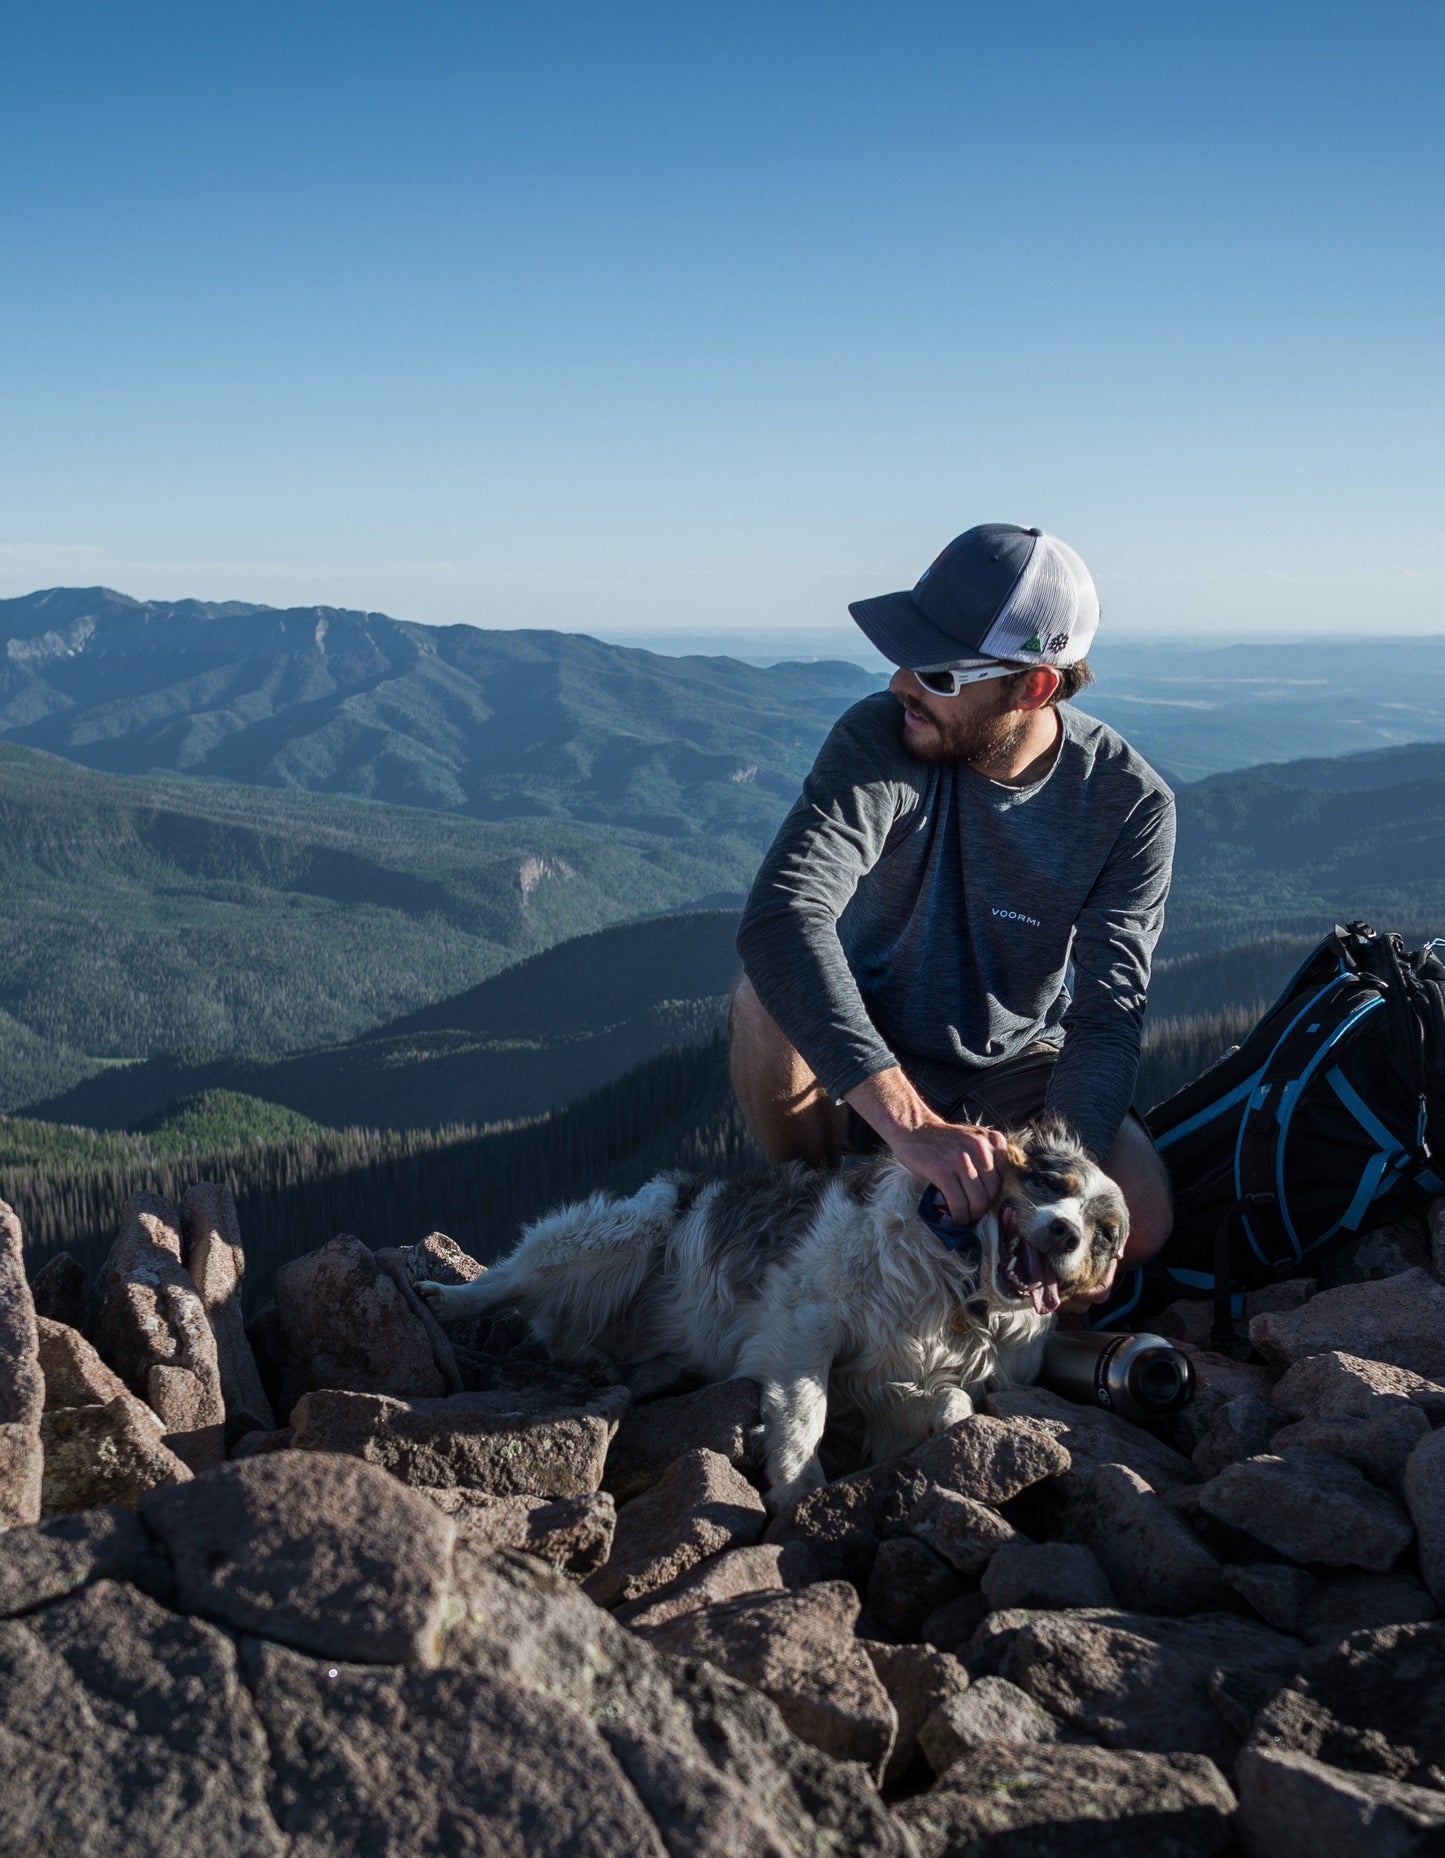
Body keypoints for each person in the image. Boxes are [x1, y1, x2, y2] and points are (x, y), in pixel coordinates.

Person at [731, 522, 1176, 1305]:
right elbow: (782, 914)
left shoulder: (1127, 803)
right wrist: (908, 1126)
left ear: (1032, 685)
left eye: (936, 671)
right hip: (858, 1051)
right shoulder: (882, 737)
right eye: (903, 655)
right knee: (764, 996)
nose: (901, 682)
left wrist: (1056, 1189)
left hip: (1008, 1064)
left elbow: (1106, 1014)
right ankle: (811, 1217)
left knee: (1137, 1224)